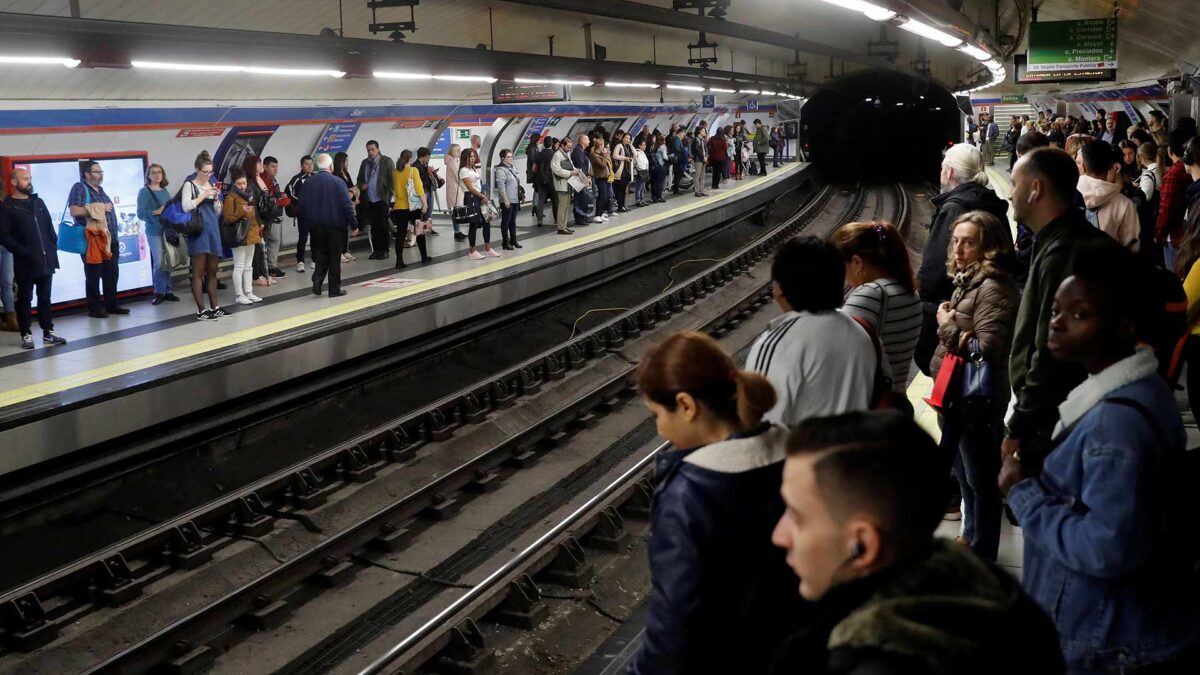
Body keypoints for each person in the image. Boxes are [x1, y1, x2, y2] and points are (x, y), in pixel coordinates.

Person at [1001, 242, 1200, 674]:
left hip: (1104, 640)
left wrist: (1023, 494)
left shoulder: (1114, 426)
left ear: (1126, 326)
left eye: (1080, 314)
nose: (1057, 322)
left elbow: (1106, 549)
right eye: (1056, 308)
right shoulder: (1144, 390)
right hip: (1117, 626)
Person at [768, 411, 1065, 675]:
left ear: (863, 545)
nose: (778, 535)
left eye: (796, 516)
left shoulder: (869, 661)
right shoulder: (1005, 605)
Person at [630, 331, 804, 675]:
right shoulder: (798, 454)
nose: (660, 429)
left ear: (685, 405)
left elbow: (675, 630)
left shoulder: (689, 495)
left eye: (657, 415)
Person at [1004, 147, 1115, 472]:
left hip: (1056, 418)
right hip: (1070, 410)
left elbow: (1049, 351)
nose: (1010, 195)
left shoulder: (1061, 253)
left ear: (1035, 189)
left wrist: (1020, 424)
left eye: (1014, 184)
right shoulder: (1072, 239)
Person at [926, 211, 1019, 561]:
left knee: (982, 481)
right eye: (956, 241)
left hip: (975, 398)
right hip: (956, 395)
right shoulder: (970, 280)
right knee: (964, 473)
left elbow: (988, 349)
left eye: (968, 242)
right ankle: (970, 534)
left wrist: (946, 326)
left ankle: (984, 555)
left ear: (988, 247)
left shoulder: (993, 286)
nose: (959, 248)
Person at [746, 236, 875, 426]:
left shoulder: (776, 345)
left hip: (802, 453)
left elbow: (757, 427)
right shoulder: (863, 333)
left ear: (779, 289)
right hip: (857, 452)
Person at [915, 143, 1010, 375]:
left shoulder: (954, 208)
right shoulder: (991, 203)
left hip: (956, 313)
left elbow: (934, 271)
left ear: (949, 172)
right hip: (987, 308)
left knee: (957, 380)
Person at [832, 221, 921, 406]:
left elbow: (838, 356)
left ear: (857, 262)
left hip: (868, 408)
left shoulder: (869, 295)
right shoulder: (909, 292)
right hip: (896, 403)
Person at [0, 167, 67, 348]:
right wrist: (22, 251)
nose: (29, 182)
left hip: (45, 258)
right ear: (14, 182)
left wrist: (52, 247)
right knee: (25, 298)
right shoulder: (7, 207)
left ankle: (48, 331)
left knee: (45, 298)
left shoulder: (38, 202)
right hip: (25, 261)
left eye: (29, 178)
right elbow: (4, 235)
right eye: (24, 179)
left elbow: (48, 227)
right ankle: (26, 333)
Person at [68, 160, 128, 318]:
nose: (100, 175)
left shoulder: (100, 189)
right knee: (94, 274)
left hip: (109, 239)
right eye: (96, 172)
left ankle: (112, 304)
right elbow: (74, 210)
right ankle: (94, 308)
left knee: (111, 273)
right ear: (87, 174)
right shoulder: (79, 188)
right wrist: (101, 207)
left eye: (101, 171)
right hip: (93, 239)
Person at [302, 154, 358, 297]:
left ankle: (318, 280)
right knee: (334, 256)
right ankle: (334, 289)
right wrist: (354, 224)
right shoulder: (338, 182)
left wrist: (309, 223)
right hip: (336, 225)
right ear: (331, 166)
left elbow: (302, 205)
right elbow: (347, 206)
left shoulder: (308, 182)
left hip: (316, 226)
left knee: (321, 253)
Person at [181, 154, 226, 320]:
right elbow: (186, 207)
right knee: (199, 271)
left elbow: (217, 211)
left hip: (213, 229)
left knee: (212, 271)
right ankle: (201, 309)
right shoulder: (189, 185)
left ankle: (215, 306)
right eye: (205, 172)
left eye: (210, 172)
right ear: (197, 170)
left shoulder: (213, 183)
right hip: (198, 231)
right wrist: (203, 195)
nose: (208, 175)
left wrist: (215, 199)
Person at [1078, 140, 1141, 251]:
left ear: (1083, 166)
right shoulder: (1125, 205)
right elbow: (1132, 247)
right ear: (1112, 167)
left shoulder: (1066, 197)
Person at [137, 163, 179, 305]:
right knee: (160, 262)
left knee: (169, 260)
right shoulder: (145, 192)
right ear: (148, 176)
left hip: (167, 230)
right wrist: (156, 212)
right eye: (153, 172)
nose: (157, 175)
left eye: (159, 172)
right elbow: (141, 214)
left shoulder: (165, 191)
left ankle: (168, 290)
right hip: (154, 231)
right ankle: (159, 291)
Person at [221, 168, 264, 306]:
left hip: (251, 234)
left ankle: (249, 292)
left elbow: (254, 214)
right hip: (238, 235)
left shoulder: (249, 195)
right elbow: (227, 219)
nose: (243, 186)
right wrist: (241, 211)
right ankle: (239, 295)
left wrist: (259, 225)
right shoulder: (230, 198)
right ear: (234, 183)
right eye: (239, 184)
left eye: (244, 183)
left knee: (248, 266)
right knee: (239, 266)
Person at [1156, 129, 1195, 271]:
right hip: (1190, 234)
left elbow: (1166, 210)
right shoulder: (1192, 168)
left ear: (1169, 151)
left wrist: (1158, 234)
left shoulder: (1173, 174)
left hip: (1174, 236)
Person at [357, 140, 395, 261]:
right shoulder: (364, 163)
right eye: (368, 150)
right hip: (369, 199)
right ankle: (376, 250)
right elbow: (359, 179)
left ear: (378, 149)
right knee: (373, 226)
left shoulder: (386, 161)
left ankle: (384, 249)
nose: (370, 152)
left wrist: (388, 194)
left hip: (381, 198)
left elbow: (392, 180)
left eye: (373, 149)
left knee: (383, 225)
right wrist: (362, 184)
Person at [391, 149, 430, 267]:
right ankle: (424, 257)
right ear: (410, 159)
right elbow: (419, 188)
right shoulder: (413, 170)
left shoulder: (395, 172)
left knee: (400, 234)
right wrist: (425, 203)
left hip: (399, 207)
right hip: (413, 207)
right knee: (419, 231)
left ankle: (399, 261)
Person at [457, 148, 497, 260]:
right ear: (465, 158)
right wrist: (482, 196)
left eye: (474, 156)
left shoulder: (473, 169)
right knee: (473, 224)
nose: (473, 158)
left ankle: (488, 248)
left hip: (479, 196)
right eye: (471, 156)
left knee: (486, 221)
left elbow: (478, 184)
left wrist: (483, 195)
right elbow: (470, 188)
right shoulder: (463, 170)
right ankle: (472, 251)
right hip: (471, 197)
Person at [285, 155, 315, 273]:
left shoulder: (316, 177)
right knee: (303, 237)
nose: (309, 166)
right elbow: (289, 192)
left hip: (315, 213)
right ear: (302, 166)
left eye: (311, 164)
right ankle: (300, 261)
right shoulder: (297, 178)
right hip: (303, 213)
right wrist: (301, 203)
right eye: (307, 164)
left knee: (315, 236)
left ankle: (315, 259)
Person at [260, 156, 288, 279]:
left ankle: (269, 267)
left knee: (272, 241)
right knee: (273, 240)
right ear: (265, 166)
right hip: (269, 217)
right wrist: (279, 201)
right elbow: (266, 199)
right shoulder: (263, 180)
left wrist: (281, 195)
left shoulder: (272, 179)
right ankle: (270, 267)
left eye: (276, 166)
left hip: (274, 215)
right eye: (272, 166)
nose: (275, 169)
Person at [333, 151, 359, 264]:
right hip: (340, 206)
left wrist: (355, 194)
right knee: (339, 230)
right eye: (346, 161)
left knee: (346, 229)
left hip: (350, 203)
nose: (348, 163)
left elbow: (353, 187)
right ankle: (338, 253)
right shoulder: (336, 175)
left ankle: (345, 250)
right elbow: (344, 191)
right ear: (341, 162)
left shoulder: (346, 173)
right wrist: (351, 192)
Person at [550, 137, 579, 235]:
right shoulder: (557, 155)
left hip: (568, 183)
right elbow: (556, 170)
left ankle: (564, 225)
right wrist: (571, 173)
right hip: (561, 184)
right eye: (568, 147)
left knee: (566, 206)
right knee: (562, 206)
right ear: (562, 145)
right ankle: (560, 227)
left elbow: (571, 166)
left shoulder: (567, 154)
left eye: (570, 147)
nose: (569, 149)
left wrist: (576, 171)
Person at [494, 148, 522, 250]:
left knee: (513, 221)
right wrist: (506, 200)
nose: (511, 158)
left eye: (511, 156)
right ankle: (505, 242)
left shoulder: (513, 168)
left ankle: (513, 240)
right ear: (503, 158)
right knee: (506, 221)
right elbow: (501, 186)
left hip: (514, 198)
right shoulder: (501, 170)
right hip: (507, 199)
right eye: (508, 157)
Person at [444, 144, 465, 240]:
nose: (459, 152)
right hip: (455, 190)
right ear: (452, 152)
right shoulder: (452, 162)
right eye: (457, 150)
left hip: (457, 190)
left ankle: (458, 231)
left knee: (457, 211)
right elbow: (458, 177)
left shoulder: (455, 161)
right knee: (456, 211)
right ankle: (457, 232)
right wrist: (467, 187)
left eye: (459, 150)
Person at [524, 133, 545, 224]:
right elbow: (533, 160)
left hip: (535, 172)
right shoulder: (533, 149)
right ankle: (536, 207)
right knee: (537, 190)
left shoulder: (532, 148)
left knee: (536, 189)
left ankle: (535, 207)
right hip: (535, 172)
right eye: (539, 139)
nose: (540, 141)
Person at [589, 141, 612, 222]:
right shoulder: (594, 155)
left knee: (605, 196)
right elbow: (603, 165)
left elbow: (607, 160)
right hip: (600, 177)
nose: (604, 147)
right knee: (602, 196)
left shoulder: (600, 154)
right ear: (599, 146)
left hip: (605, 177)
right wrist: (605, 155)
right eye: (602, 145)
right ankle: (597, 215)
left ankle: (601, 213)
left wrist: (605, 154)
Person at [612, 132, 633, 213]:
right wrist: (625, 158)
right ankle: (620, 206)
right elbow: (614, 155)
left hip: (626, 171)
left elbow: (635, 154)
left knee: (624, 189)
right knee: (620, 189)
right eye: (626, 138)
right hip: (620, 171)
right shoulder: (619, 146)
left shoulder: (628, 147)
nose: (627, 140)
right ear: (622, 138)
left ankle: (623, 205)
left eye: (629, 138)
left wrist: (631, 145)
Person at [707, 127, 727, 193]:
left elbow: (708, 146)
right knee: (719, 172)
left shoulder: (712, 138)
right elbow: (725, 148)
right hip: (721, 158)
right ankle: (716, 185)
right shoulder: (723, 140)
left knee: (715, 172)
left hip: (713, 158)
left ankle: (713, 185)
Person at [690, 125, 709, 197]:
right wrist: (703, 157)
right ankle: (697, 191)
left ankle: (702, 190)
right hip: (698, 160)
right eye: (703, 131)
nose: (705, 132)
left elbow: (705, 149)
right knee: (697, 176)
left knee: (703, 176)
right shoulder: (696, 139)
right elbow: (697, 150)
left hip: (704, 159)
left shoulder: (702, 140)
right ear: (699, 131)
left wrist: (706, 156)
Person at [650, 134, 669, 204]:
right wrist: (670, 157)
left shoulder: (652, 146)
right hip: (661, 166)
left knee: (654, 182)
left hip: (653, 166)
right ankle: (659, 196)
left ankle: (653, 197)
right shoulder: (663, 147)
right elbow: (665, 157)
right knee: (660, 182)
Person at [632, 137, 650, 207]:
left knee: (642, 187)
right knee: (639, 187)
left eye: (645, 145)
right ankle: (638, 200)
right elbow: (637, 162)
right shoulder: (637, 153)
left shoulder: (642, 153)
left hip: (644, 171)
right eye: (643, 145)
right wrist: (642, 169)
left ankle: (641, 199)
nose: (644, 146)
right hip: (639, 172)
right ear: (639, 145)